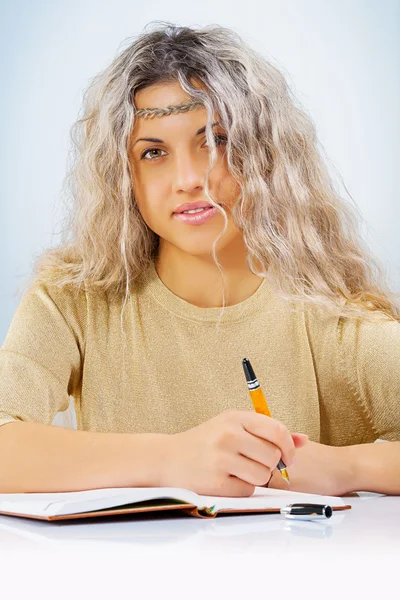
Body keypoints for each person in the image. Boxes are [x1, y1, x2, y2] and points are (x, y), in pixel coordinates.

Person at [0, 23, 399, 498]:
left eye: (216, 141)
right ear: (122, 177)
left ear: (266, 155)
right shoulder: (71, 300)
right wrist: (172, 458)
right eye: (153, 153)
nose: (189, 178)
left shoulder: (331, 318)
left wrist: (346, 467)